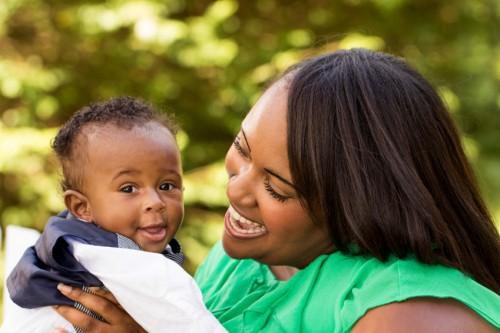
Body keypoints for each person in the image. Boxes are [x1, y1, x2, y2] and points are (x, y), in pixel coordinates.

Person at [53, 49, 499, 332]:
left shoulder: (414, 313)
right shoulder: (240, 261)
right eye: (242, 152)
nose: (237, 191)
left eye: (277, 187)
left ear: (359, 203)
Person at [3, 97, 223, 332]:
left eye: (167, 186)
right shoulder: (128, 264)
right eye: (128, 189)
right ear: (81, 207)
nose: (155, 202)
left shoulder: (70, 243)